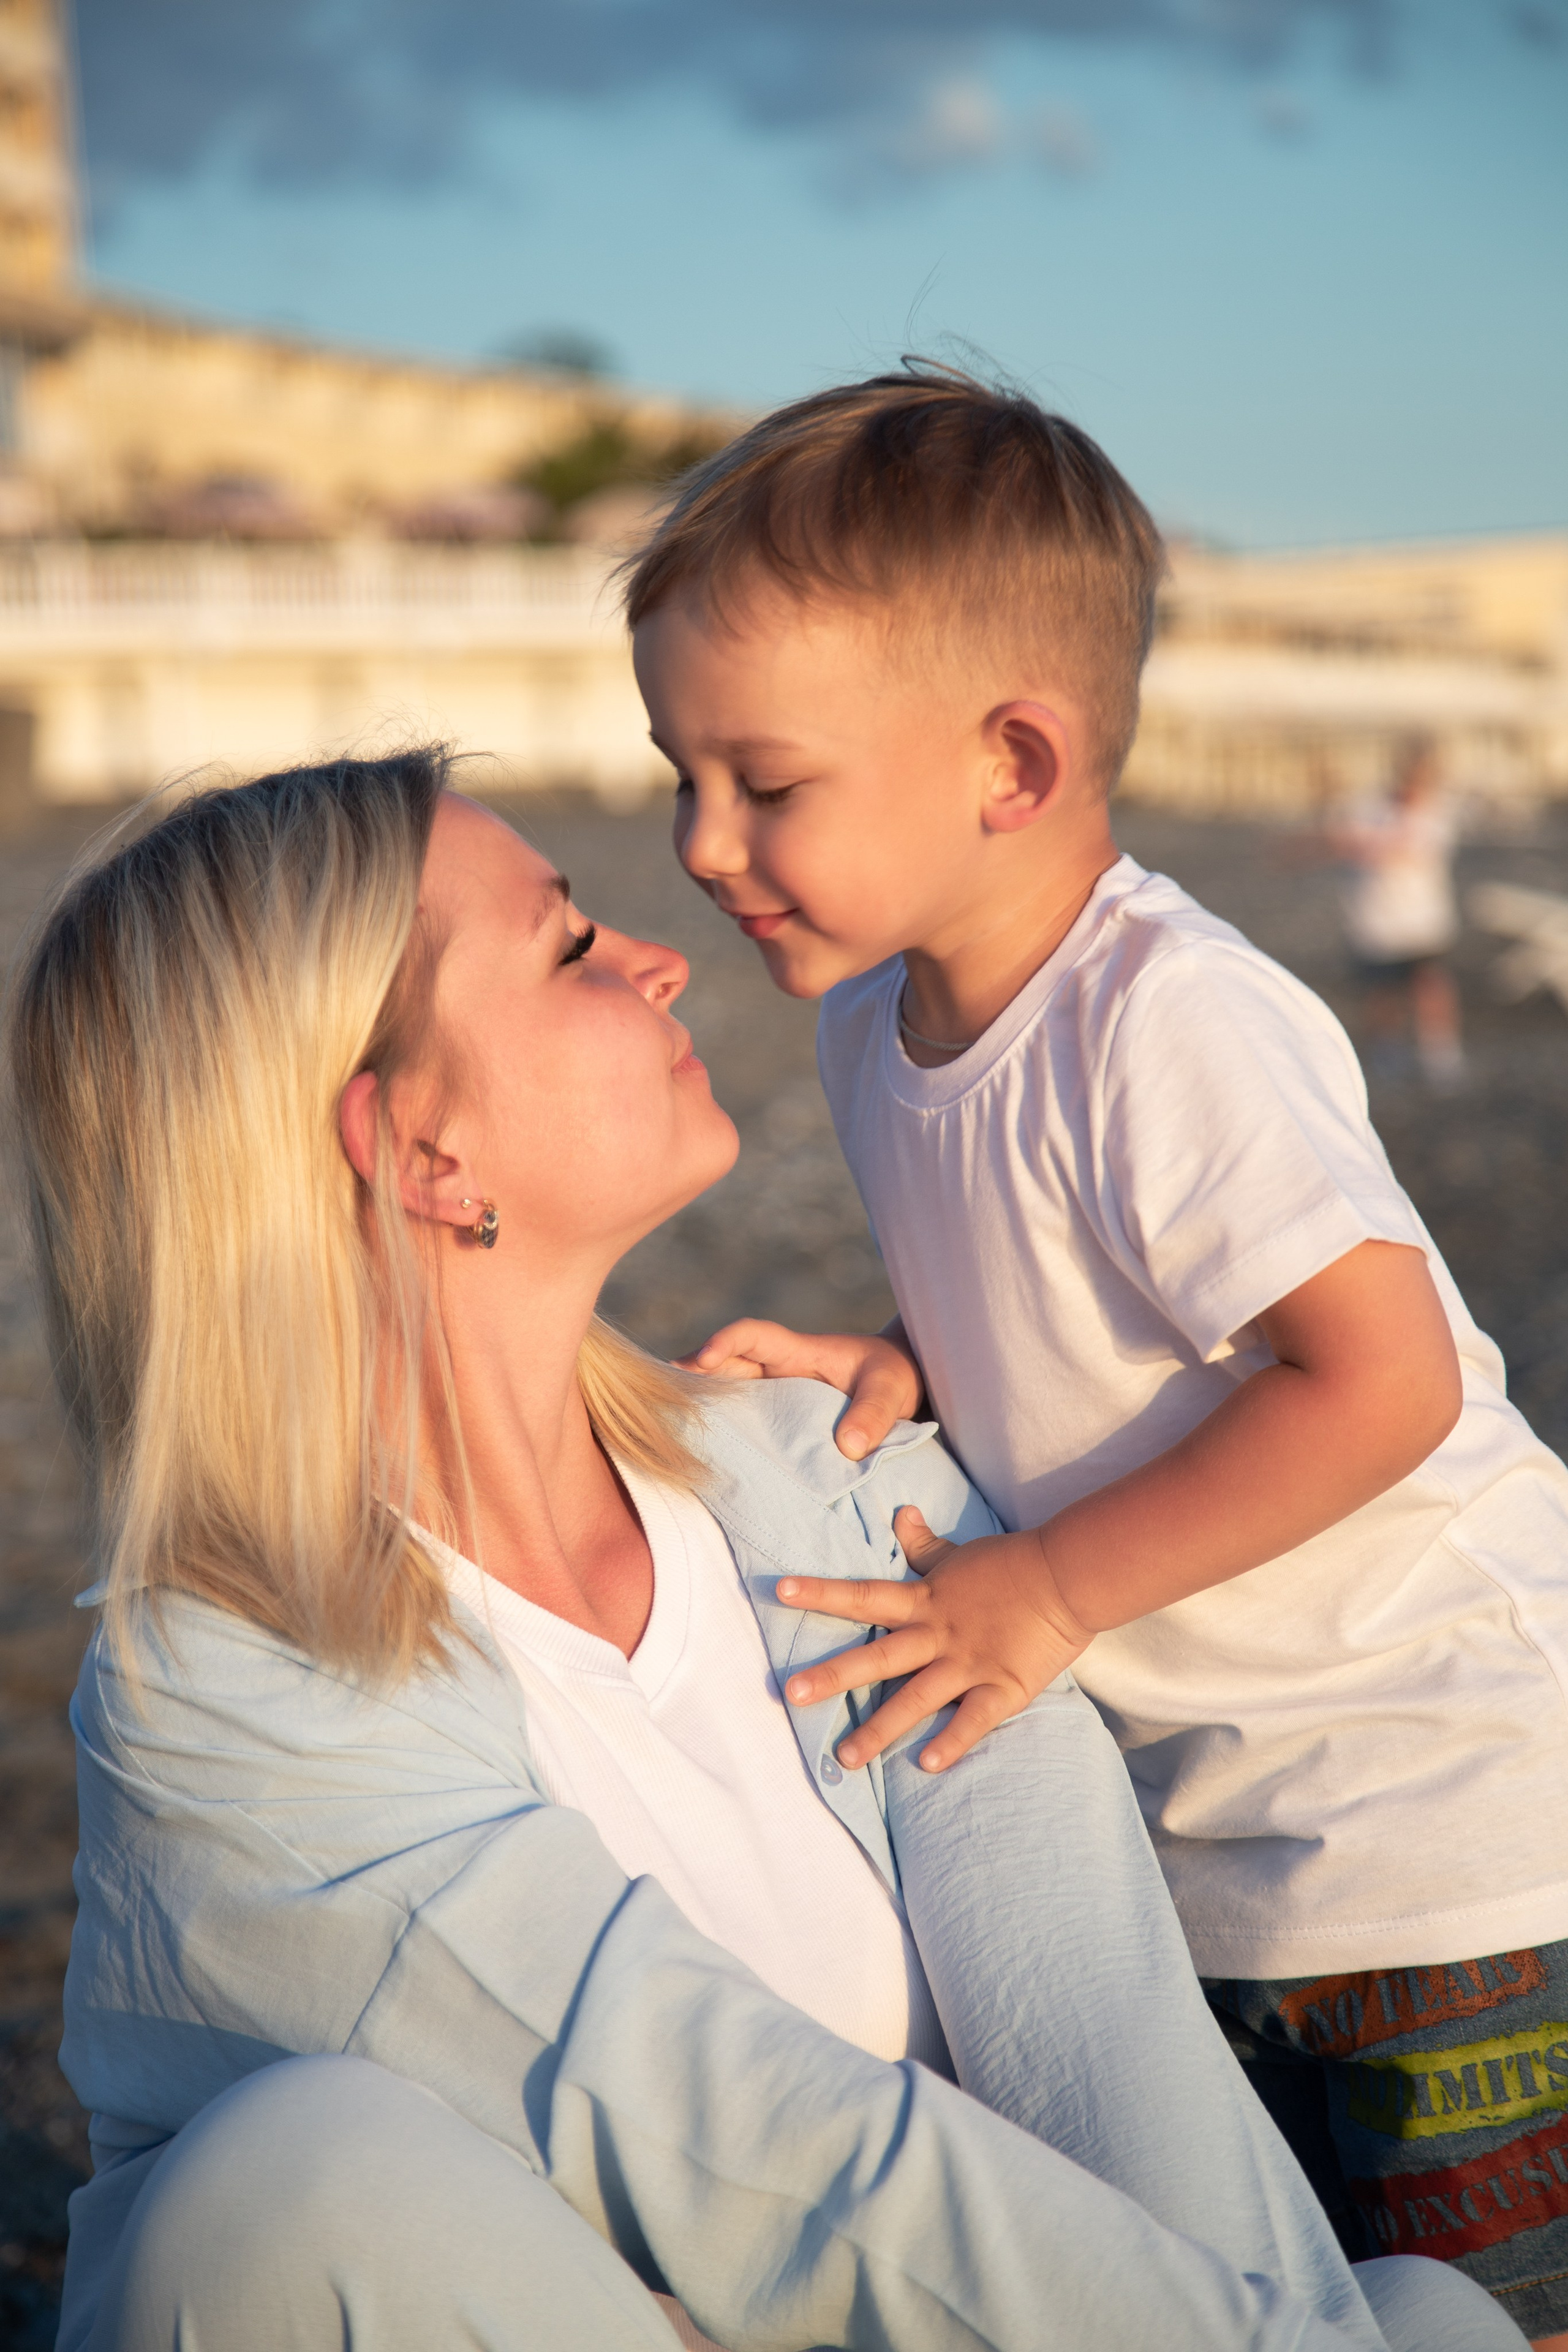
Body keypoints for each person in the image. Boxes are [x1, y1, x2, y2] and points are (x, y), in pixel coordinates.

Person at [10, 751, 1511, 2352]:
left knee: (1424, 2313)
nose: (659, 955)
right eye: (571, 946)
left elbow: (1102, 2033)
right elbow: (743, 2131)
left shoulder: (812, 1468)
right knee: (300, 2184)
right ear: (426, 1157)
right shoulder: (222, 1688)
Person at [627, 364, 1568, 2347]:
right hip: (1231, 1842)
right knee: (1310, 2302)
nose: (706, 844)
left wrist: (1042, 1586)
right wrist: (920, 1358)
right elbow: (1093, 1291)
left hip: (1452, 1818)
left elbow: (1375, 1381)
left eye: (765, 782)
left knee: (1489, 2301)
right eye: (677, 775)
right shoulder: (874, 1030)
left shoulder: (1168, 1019)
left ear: (1015, 767)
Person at [1326, 737, 1466, 1090]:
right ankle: (1388, 1051)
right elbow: (1345, 840)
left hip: (1424, 919)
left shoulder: (1438, 812)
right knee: (1383, 991)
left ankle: (1440, 1053)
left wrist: (1369, 844)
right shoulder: (1370, 806)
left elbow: (1398, 849)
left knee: (1430, 985)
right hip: (1376, 920)